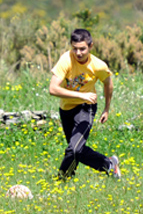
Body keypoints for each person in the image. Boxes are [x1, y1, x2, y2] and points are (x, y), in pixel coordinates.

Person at [48, 28, 121, 180]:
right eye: (75, 48)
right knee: (76, 150)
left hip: (85, 108)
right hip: (66, 109)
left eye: (82, 49)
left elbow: (109, 84)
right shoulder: (66, 60)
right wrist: (81, 94)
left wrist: (106, 109)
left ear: (90, 46)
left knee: (74, 149)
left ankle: (62, 180)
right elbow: (52, 89)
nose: (78, 53)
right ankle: (109, 165)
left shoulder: (98, 65)